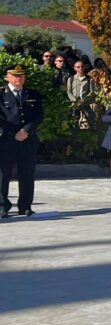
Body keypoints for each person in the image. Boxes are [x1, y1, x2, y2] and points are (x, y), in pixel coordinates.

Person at [1, 65, 44, 218]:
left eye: (21, 75)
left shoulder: (32, 94)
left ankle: (25, 206)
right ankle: (3, 206)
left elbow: (38, 116)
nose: (18, 78)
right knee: (3, 174)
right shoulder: (1, 94)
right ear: (7, 77)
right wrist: (14, 132)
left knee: (27, 173)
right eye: (15, 76)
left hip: (27, 139)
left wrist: (26, 130)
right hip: (6, 139)